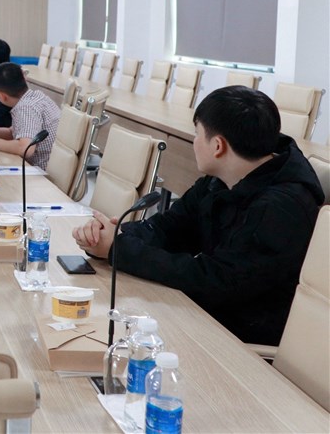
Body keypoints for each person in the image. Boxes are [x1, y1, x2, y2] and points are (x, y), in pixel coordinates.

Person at [72, 86, 323, 346]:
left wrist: (119, 250)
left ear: (218, 146)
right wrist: (113, 236)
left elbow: (216, 281)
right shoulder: (222, 178)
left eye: (196, 134)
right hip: (204, 315)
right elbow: (171, 227)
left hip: (237, 340)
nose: (193, 142)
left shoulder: (280, 209)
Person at [0, 62, 60, 170]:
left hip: (40, 173)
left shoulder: (26, 108)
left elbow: (26, 148)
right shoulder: (35, 97)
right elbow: (13, 133)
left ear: (2, 96)